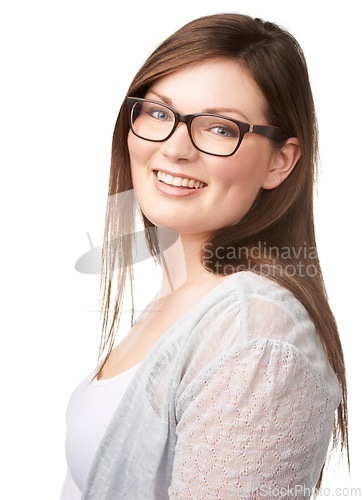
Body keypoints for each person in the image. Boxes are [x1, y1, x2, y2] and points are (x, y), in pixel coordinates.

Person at [61, 13, 348, 499]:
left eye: (219, 129)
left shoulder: (254, 338)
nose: (174, 149)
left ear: (280, 161)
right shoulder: (187, 296)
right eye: (157, 113)